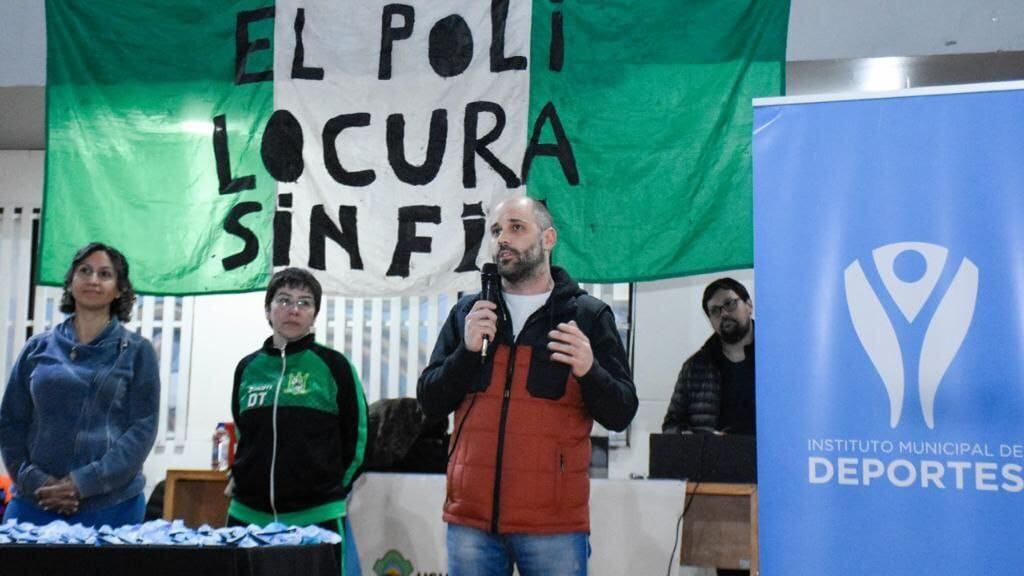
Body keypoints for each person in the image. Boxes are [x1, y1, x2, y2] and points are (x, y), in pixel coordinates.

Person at [418, 196, 638, 576]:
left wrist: (590, 370)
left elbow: (621, 412)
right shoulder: (469, 314)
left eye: (517, 227)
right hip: (470, 522)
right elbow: (430, 402)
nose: (503, 238)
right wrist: (466, 355)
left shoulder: (587, 316)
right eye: (496, 230)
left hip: (553, 527)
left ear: (548, 238)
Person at [0, 242, 160, 527]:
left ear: (119, 289)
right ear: (71, 282)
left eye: (105, 274)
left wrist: (82, 483)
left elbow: (142, 431)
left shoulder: (138, 351)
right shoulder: (37, 348)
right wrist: (36, 481)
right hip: (34, 501)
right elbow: (11, 421)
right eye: (84, 271)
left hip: (113, 508)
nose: (93, 280)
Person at [227, 267, 367, 574]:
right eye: (284, 300)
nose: (294, 309)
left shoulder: (334, 366)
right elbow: (244, 430)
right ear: (268, 309)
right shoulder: (247, 368)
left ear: (315, 313)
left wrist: (330, 489)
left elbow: (356, 438)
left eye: (304, 302)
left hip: (317, 516)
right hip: (248, 515)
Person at [662, 277, 755, 435]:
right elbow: (671, 425)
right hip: (712, 457)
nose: (724, 314)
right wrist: (685, 436)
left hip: (769, 458)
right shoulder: (695, 368)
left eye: (730, 304)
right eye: (715, 310)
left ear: (749, 305)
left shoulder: (777, 357)